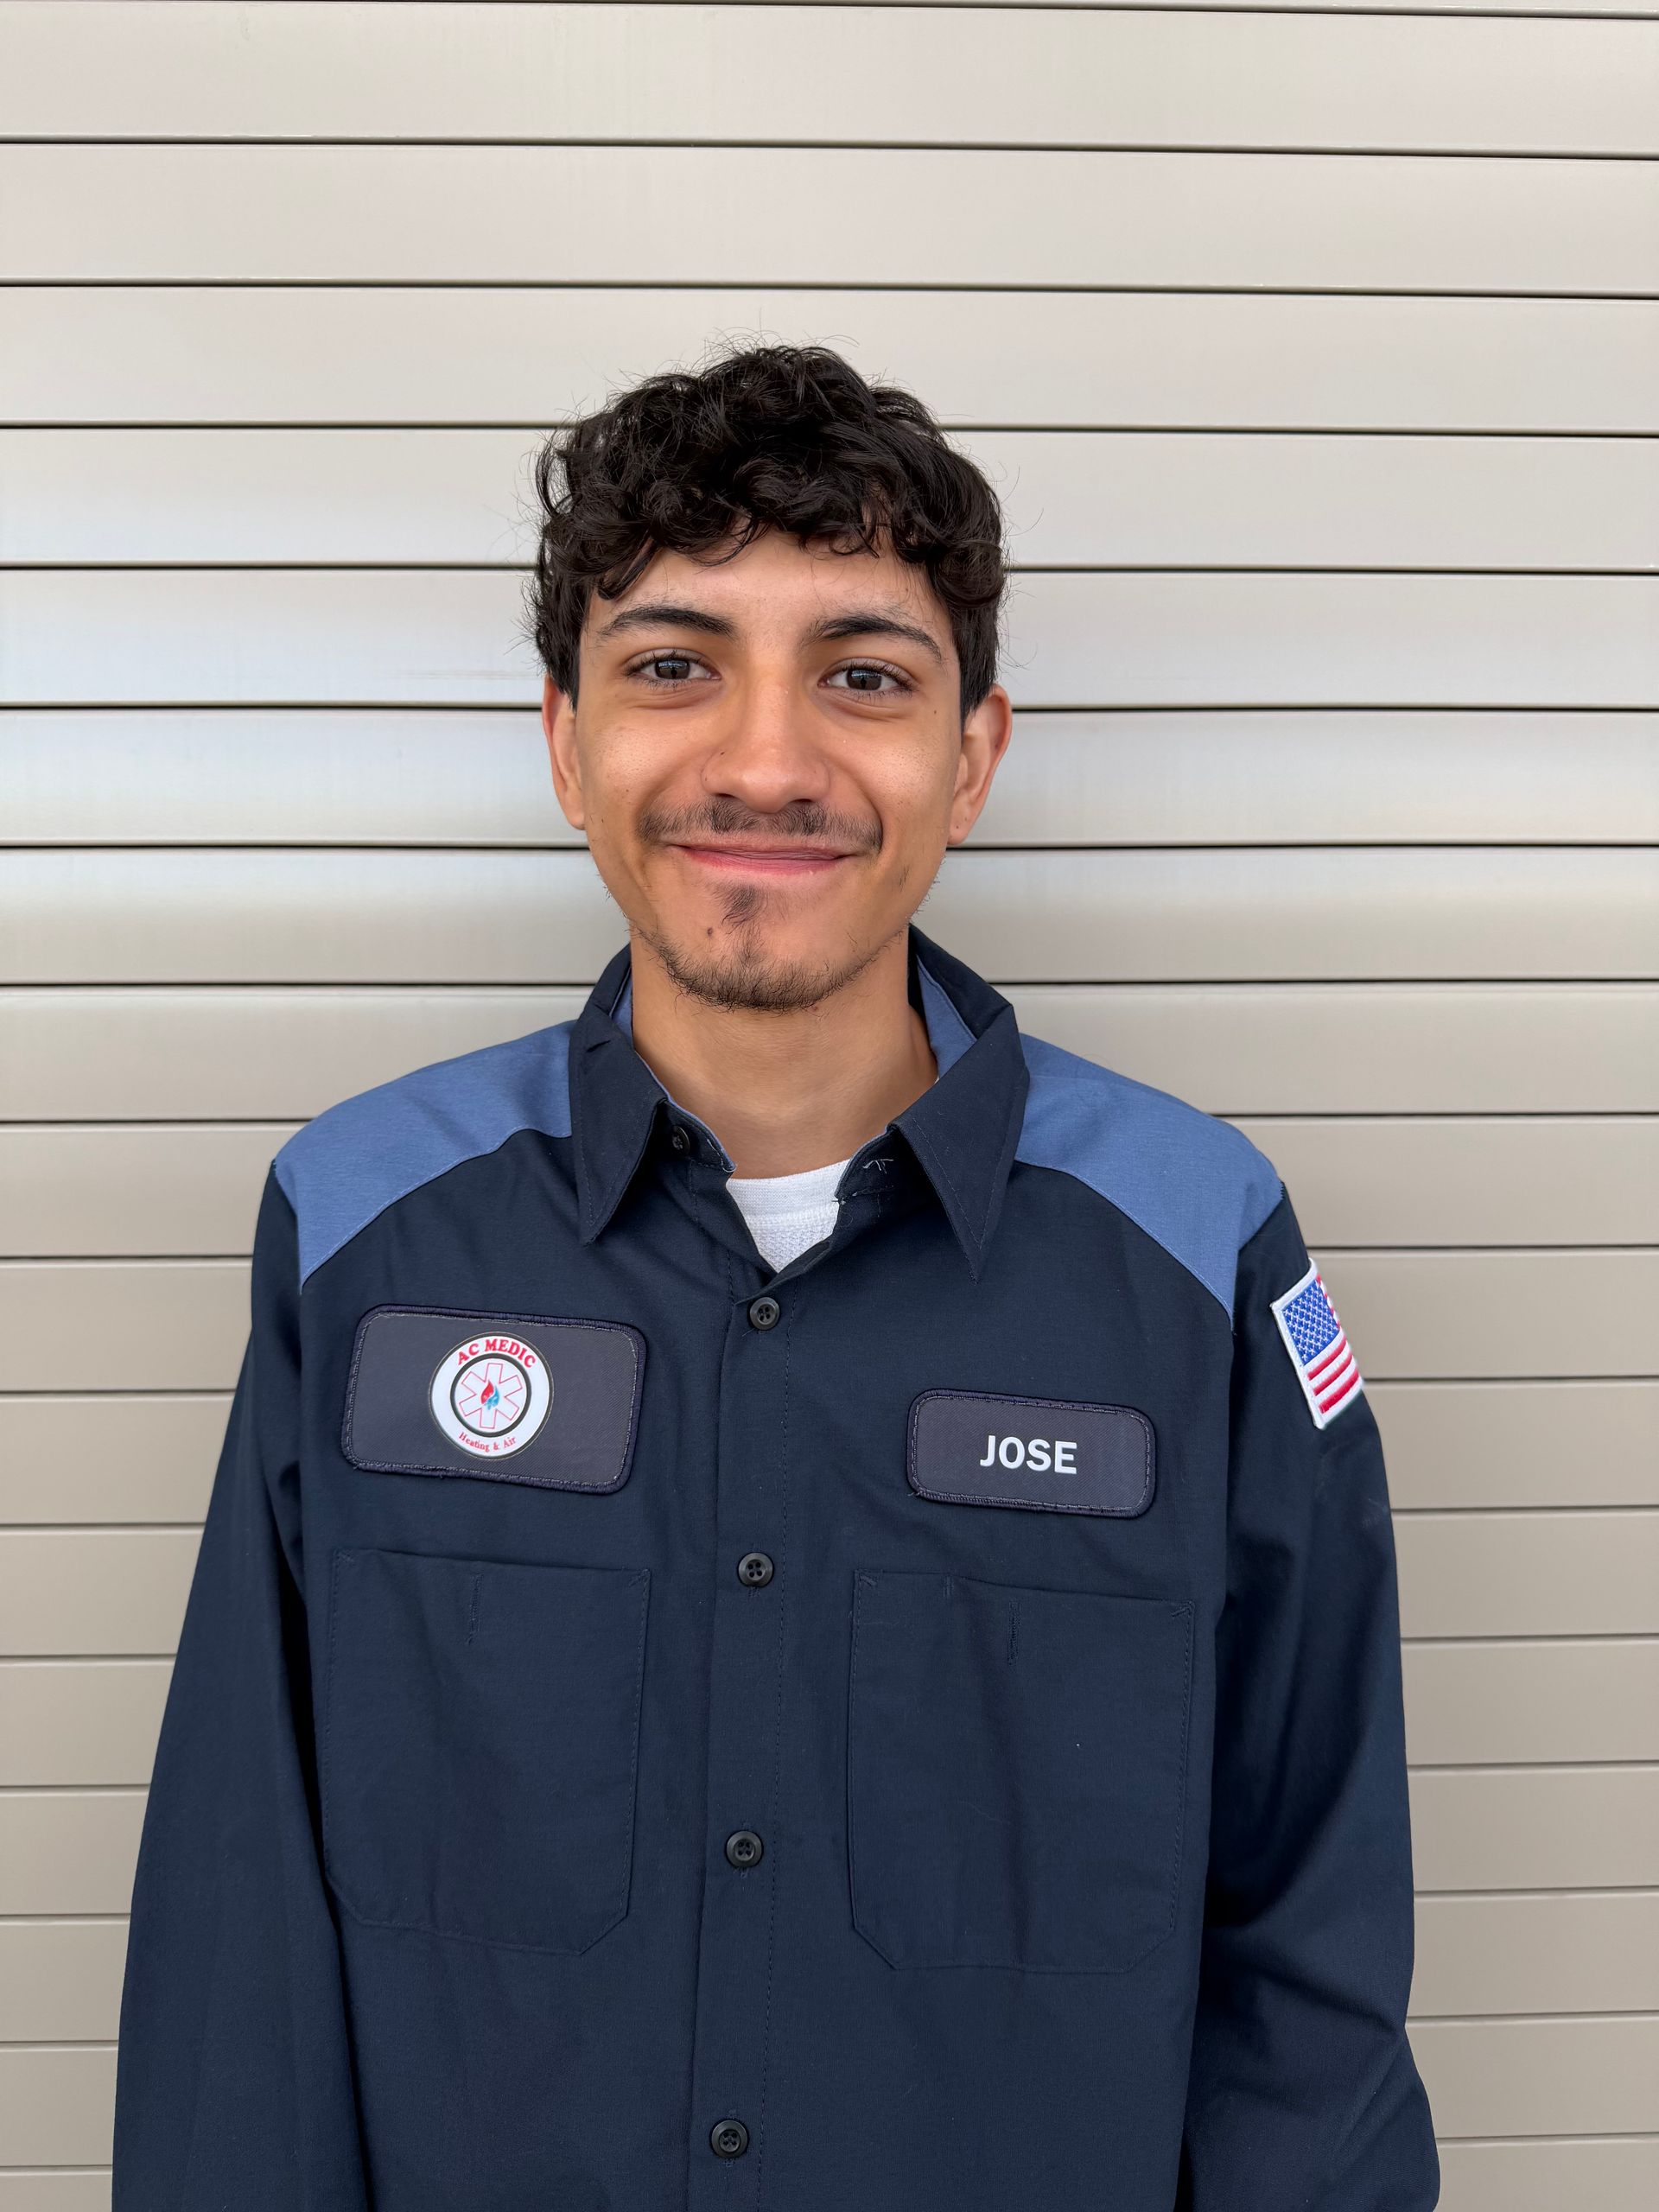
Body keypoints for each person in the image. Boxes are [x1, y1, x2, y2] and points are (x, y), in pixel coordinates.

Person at [112, 343, 1439, 2209]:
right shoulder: (362, 1222)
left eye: (864, 674)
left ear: (970, 753)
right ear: (566, 740)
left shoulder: (1196, 1241)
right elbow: (241, 1932)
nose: (762, 759)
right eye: (672, 663)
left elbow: (1307, 1941)